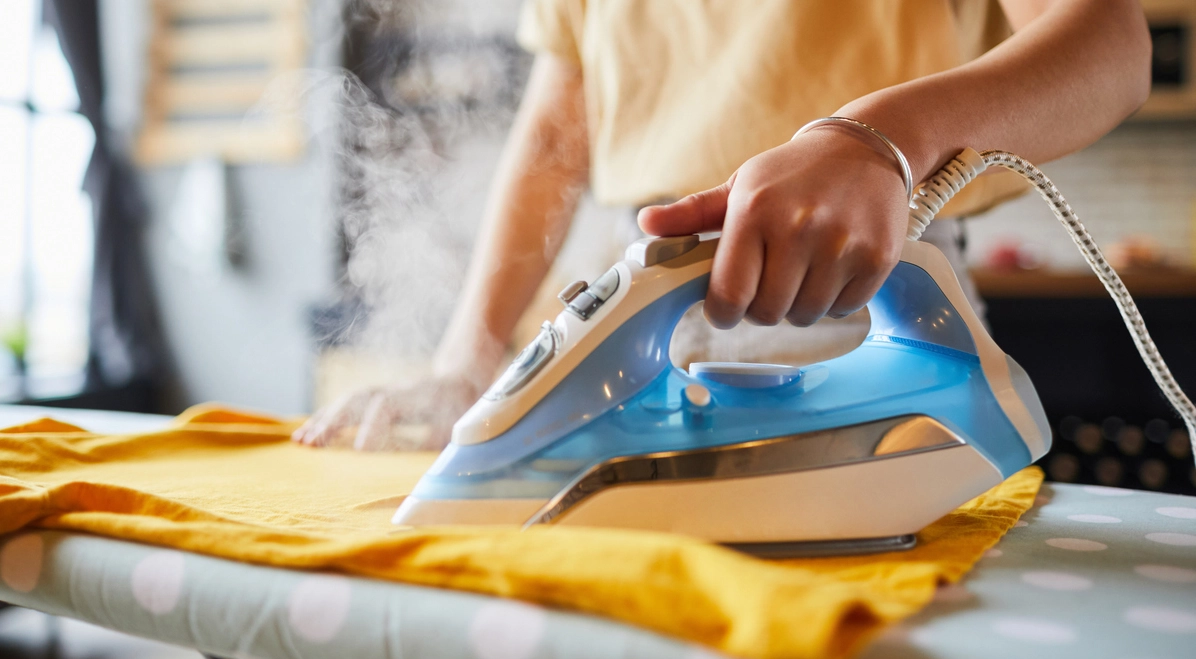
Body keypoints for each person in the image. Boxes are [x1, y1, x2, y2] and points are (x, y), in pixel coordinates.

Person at [295, 0, 1150, 450]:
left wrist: (880, 142)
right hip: (644, 280)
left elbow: (1110, 44)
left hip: (867, 280)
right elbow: (558, 138)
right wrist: (467, 361)